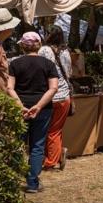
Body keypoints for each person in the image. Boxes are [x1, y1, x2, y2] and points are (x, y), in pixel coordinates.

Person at [6, 32, 59, 193]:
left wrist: (20, 105)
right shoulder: (48, 64)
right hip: (43, 110)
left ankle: (12, 182)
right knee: (37, 146)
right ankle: (32, 183)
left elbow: (9, 87)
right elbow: (53, 88)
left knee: (17, 145)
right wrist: (39, 106)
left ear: (22, 45)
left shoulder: (15, 64)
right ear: (39, 44)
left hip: (20, 109)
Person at [38, 26, 72, 171]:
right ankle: (58, 154)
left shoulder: (44, 50)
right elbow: (69, 72)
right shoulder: (65, 51)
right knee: (56, 129)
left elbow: (39, 71)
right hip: (64, 95)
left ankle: (51, 162)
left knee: (49, 130)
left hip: (49, 95)